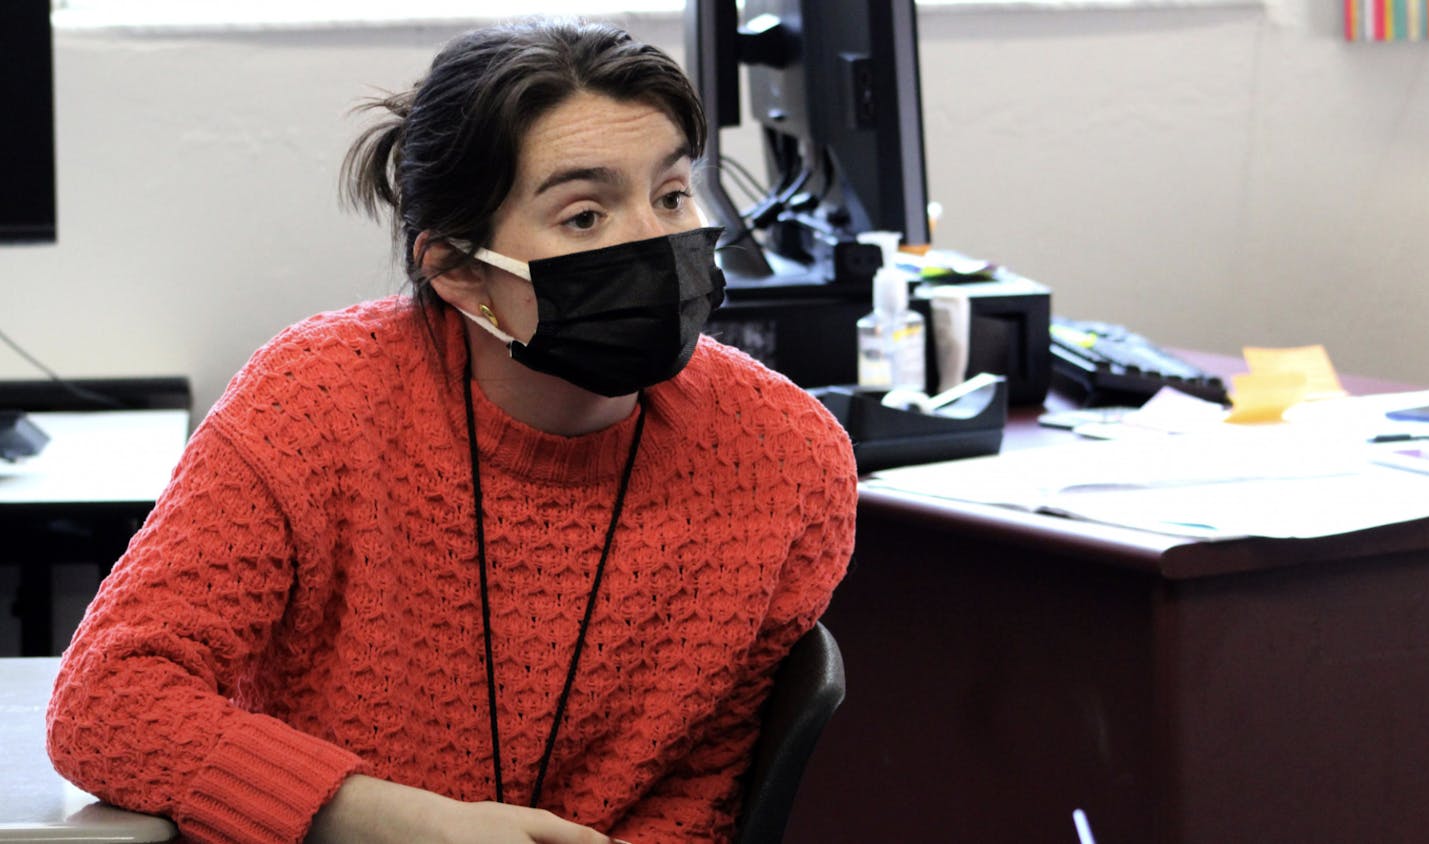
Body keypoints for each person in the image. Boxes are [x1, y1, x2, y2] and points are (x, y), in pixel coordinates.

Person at [46, 18, 856, 844]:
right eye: (585, 216)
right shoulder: (314, 405)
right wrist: (385, 818)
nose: (656, 242)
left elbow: (702, 784)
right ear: (463, 274)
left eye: (672, 194)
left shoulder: (785, 457)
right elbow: (109, 699)